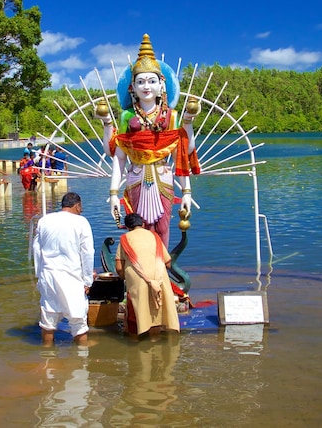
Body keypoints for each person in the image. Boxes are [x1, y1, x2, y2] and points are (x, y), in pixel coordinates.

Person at [100, 34, 202, 248]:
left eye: (152, 81)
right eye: (140, 81)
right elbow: (118, 159)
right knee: (140, 227)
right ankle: (141, 270)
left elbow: (182, 153)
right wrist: (113, 194)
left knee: (163, 227)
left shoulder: (171, 117)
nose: (146, 86)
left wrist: (186, 191)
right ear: (132, 88)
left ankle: (161, 270)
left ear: (161, 85)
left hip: (163, 177)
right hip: (136, 176)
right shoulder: (127, 117)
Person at [32, 192, 95, 346]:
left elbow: (36, 249)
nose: (81, 210)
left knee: (48, 319)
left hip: (48, 274)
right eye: (81, 207)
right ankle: (81, 361)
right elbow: (87, 253)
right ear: (77, 205)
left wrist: (39, 275)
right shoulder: (81, 222)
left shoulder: (45, 220)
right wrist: (88, 280)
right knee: (78, 321)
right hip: (71, 276)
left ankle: (47, 357)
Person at [115, 213, 181, 338]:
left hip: (138, 277)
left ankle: (135, 339)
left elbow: (119, 267)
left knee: (135, 306)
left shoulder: (125, 239)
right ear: (143, 224)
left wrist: (124, 276)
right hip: (159, 275)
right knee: (159, 306)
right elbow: (167, 262)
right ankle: (155, 338)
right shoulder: (154, 236)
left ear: (128, 227)